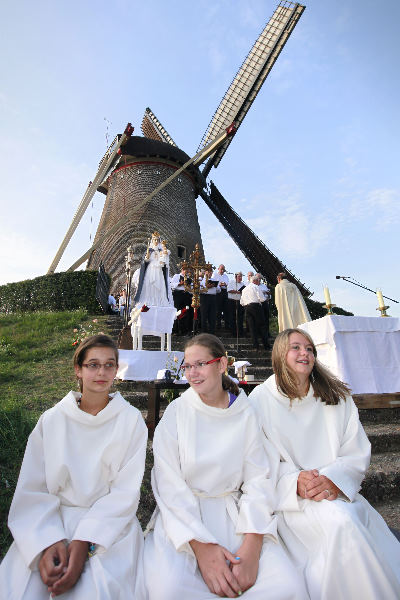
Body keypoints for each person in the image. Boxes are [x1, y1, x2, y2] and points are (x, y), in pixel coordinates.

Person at [144, 333, 307, 600]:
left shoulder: (246, 414)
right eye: (187, 366)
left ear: (221, 365)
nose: (192, 373)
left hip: (236, 515)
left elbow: (259, 480)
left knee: (285, 587)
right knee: (171, 589)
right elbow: (168, 483)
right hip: (185, 518)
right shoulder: (176, 414)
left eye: (201, 364)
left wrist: (252, 548)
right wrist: (201, 547)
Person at [249, 329, 400, 600]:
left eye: (309, 348)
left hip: (335, 492)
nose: (305, 353)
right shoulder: (260, 400)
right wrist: (294, 481)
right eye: (296, 347)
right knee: (340, 524)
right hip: (293, 502)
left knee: (344, 520)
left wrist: (333, 478)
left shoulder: (336, 395)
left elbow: (355, 449)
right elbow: (257, 459)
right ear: (280, 354)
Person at [0, 334, 147, 599]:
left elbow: (125, 493)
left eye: (109, 364)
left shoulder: (131, 421)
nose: (101, 372)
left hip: (109, 526)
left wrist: (84, 543)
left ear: (116, 369)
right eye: (92, 364)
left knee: (97, 590)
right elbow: (33, 488)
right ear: (78, 370)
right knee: (27, 589)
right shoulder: (53, 420)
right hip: (54, 520)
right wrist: (47, 541)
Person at [134, 231, 173, 307]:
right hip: (150, 270)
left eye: (157, 240)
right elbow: (145, 261)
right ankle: (149, 301)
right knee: (149, 285)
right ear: (152, 240)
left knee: (159, 286)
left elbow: (164, 261)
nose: (156, 241)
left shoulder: (161, 251)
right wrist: (147, 257)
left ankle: (158, 302)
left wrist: (163, 259)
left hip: (158, 270)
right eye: (154, 239)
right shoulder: (149, 250)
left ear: (159, 241)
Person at [240, 275, 270, 351]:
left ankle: (255, 346)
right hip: (256, 307)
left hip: (247, 308)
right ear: (255, 281)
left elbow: (241, 302)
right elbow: (262, 299)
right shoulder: (256, 287)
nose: (259, 282)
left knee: (252, 327)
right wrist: (266, 299)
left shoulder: (244, 289)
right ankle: (266, 345)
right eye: (258, 281)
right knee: (262, 325)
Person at [199, 268, 218, 335]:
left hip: (213, 297)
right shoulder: (201, 280)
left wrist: (214, 286)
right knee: (204, 315)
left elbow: (219, 290)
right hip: (204, 297)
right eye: (208, 272)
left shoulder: (214, 280)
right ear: (205, 272)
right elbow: (198, 289)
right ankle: (204, 331)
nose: (210, 273)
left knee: (212, 315)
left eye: (211, 272)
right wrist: (207, 287)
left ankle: (212, 331)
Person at [227, 272, 245, 336]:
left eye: (241, 276)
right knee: (232, 317)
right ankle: (233, 333)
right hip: (232, 301)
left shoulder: (242, 284)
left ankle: (240, 332)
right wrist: (237, 292)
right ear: (236, 277)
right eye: (239, 276)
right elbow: (229, 290)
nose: (240, 278)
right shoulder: (231, 282)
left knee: (240, 318)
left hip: (240, 302)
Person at [256, 274, 270, 339]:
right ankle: (259, 334)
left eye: (260, 278)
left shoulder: (264, 286)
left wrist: (268, 297)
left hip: (265, 303)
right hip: (257, 304)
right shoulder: (253, 286)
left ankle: (267, 333)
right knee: (258, 320)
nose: (259, 280)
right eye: (258, 278)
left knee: (266, 319)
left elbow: (269, 294)